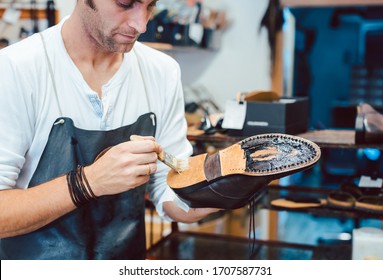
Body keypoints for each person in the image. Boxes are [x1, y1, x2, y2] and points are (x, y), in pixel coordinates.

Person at [0, 0, 220, 260]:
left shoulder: (162, 72)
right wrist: (88, 182)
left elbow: (167, 186)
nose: (141, 24)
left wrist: (219, 193)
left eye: (150, 6)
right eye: (125, 4)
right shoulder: (16, 69)